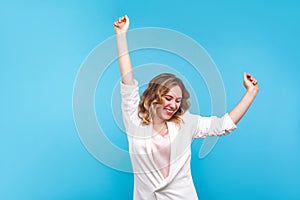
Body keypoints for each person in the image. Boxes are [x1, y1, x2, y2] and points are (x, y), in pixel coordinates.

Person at [113, 15, 259, 200]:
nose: (173, 105)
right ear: (154, 96)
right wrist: (121, 36)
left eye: (178, 101)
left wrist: (251, 92)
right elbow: (127, 79)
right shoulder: (134, 119)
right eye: (168, 98)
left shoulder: (185, 123)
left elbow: (224, 124)